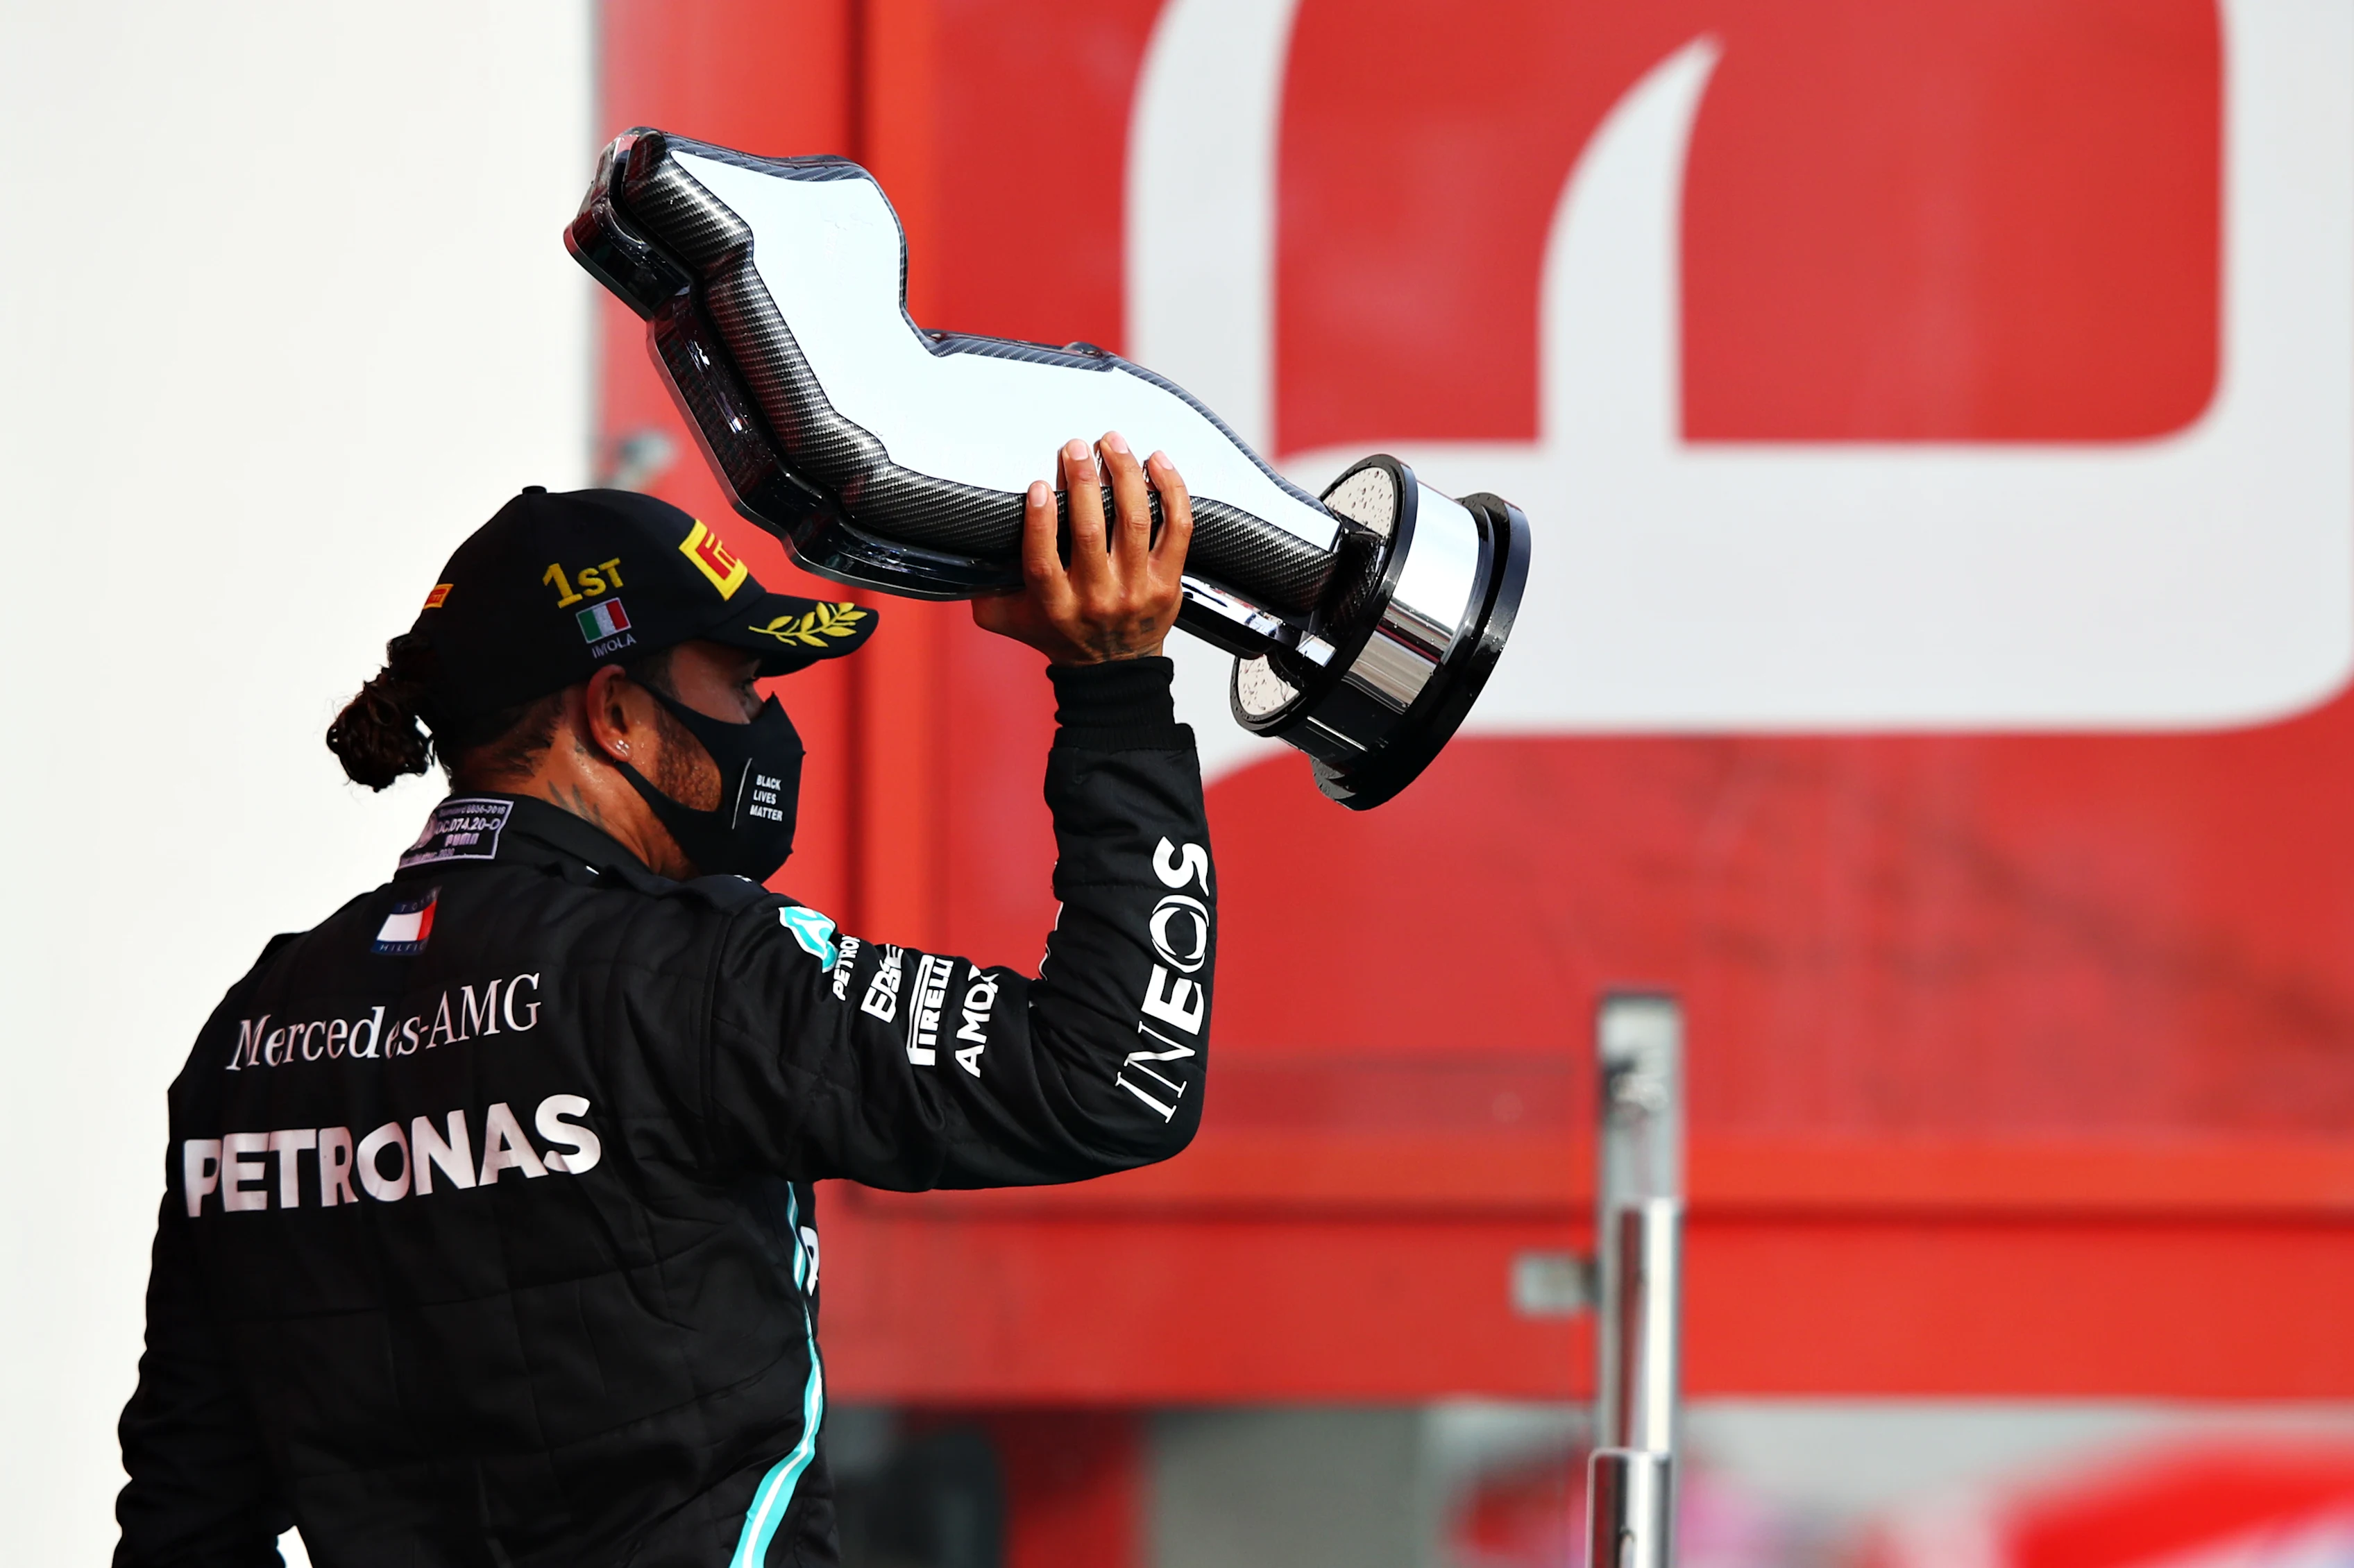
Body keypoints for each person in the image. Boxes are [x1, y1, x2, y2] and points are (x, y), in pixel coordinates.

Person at [115, 434, 1211, 1567]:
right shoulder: (688, 973)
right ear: (617, 715)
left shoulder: (251, 1036)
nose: (764, 725)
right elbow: (1116, 1076)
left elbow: (185, 1524)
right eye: (739, 684)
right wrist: (1115, 687)